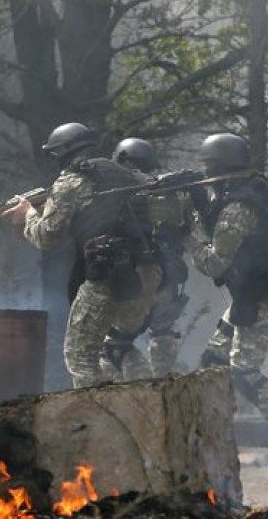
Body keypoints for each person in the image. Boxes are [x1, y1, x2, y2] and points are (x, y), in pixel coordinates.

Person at [3, 123, 162, 387]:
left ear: (63, 152)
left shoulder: (71, 180)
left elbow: (45, 237)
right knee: (116, 347)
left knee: (80, 359)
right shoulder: (124, 173)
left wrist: (27, 213)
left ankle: (96, 421)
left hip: (109, 275)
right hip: (146, 273)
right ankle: (143, 406)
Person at [184, 132, 268, 459]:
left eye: (208, 166)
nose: (206, 174)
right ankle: (209, 433)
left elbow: (214, 263)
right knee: (212, 360)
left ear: (219, 166)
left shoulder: (237, 206)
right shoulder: (254, 189)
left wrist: (191, 231)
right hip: (256, 289)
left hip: (261, 295)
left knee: (243, 371)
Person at [112, 138, 190, 377]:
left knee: (116, 343)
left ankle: (142, 389)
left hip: (137, 279)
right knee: (163, 333)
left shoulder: (121, 196)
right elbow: (186, 230)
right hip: (168, 277)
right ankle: (163, 387)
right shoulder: (171, 194)